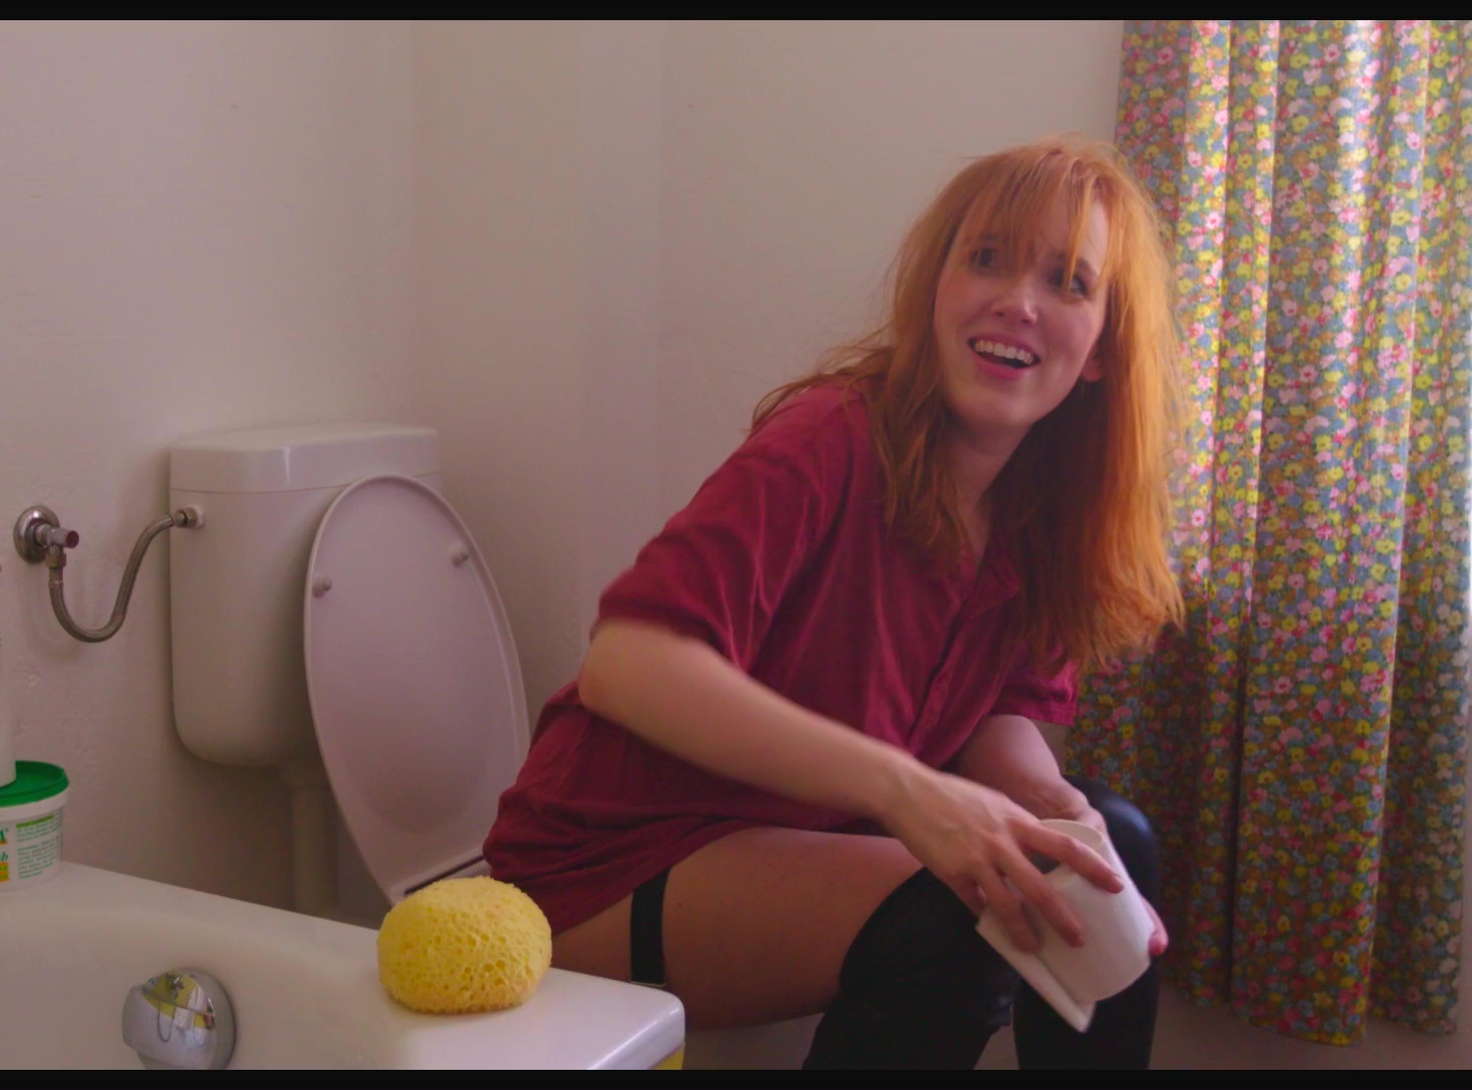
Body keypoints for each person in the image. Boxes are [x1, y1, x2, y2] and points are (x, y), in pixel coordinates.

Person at [482, 135, 1185, 1069]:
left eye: (1068, 281)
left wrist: (1049, 804)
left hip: (806, 840)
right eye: (987, 259)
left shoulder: (1044, 509)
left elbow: (998, 711)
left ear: (1101, 349)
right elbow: (626, 664)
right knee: (959, 921)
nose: (1019, 300)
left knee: (1107, 851)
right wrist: (910, 792)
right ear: (936, 289)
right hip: (609, 865)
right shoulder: (830, 442)